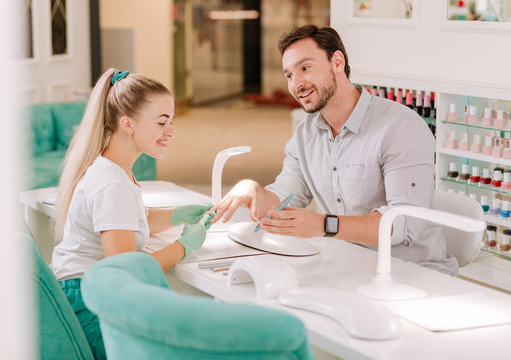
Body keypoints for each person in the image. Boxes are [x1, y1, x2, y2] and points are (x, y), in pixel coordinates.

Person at [211, 25, 458, 275]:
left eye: (305, 68)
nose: (296, 84)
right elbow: (287, 195)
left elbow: (403, 224)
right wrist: (254, 192)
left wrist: (324, 225)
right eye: (289, 75)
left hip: (413, 272)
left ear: (337, 62)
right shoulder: (305, 133)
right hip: (348, 263)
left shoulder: (400, 127)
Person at [50, 69, 214, 359]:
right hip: (88, 301)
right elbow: (124, 269)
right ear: (128, 124)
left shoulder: (112, 168)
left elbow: (127, 223)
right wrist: (184, 247)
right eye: (162, 122)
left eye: (171, 122)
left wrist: (178, 215)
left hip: (83, 290)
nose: (171, 131)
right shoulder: (111, 183)